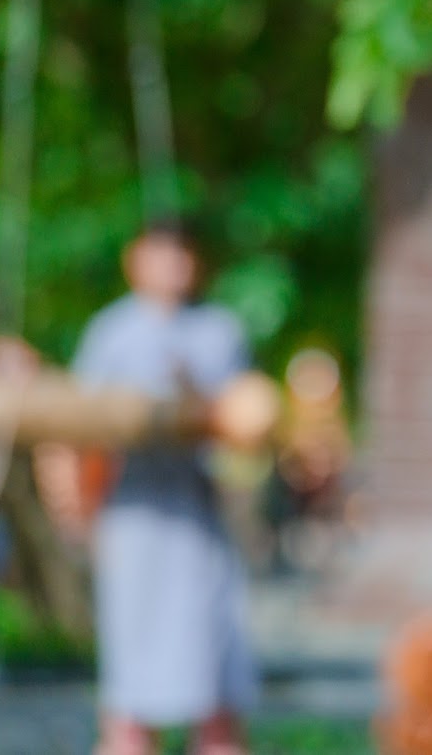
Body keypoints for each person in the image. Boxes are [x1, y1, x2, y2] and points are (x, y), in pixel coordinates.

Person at [72, 221, 258, 755]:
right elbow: (84, 434)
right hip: (131, 518)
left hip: (197, 520)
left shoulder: (219, 332)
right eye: (160, 255)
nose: (172, 266)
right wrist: (85, 513)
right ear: (135, 261)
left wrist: (196, 398)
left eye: (181, 255)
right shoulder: (109, 332)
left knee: (213, 672)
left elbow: (243, 443)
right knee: (131, 679)